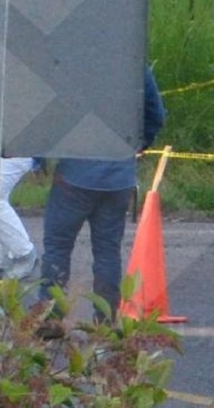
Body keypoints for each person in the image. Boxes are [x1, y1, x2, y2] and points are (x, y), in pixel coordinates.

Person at [38, 67, 165, 323]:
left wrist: (40, 157)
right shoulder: (134, 63)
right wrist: (140, 144)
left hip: (75, 173)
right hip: (119, 175)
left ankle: (50, 317)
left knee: (58, 248)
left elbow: (49, 112)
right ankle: (105, 320)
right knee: (107, 252)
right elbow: (156, 114)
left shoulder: (76, 63)